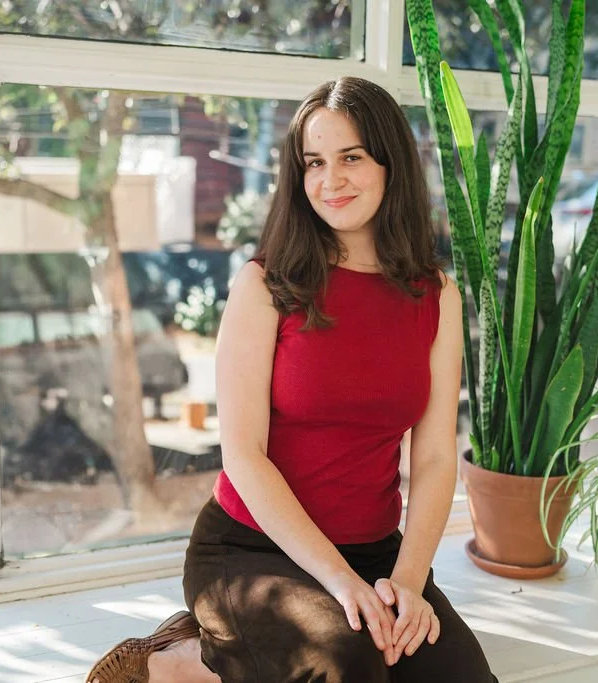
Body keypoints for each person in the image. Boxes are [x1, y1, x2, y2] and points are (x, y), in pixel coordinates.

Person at [87, 76, 499, 683]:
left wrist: (408, 582)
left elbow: (436, 457)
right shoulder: (264, 286)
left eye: (351, 158)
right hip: (252, 550)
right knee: (351, 666)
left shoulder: (436, 295)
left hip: (376, 552)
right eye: (313, 163)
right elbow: (244, 457)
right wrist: (341, 585)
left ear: (391, 165)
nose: (329, 180)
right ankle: (174, 665)